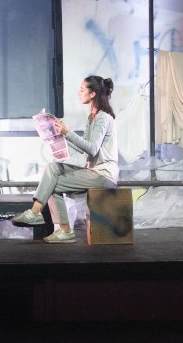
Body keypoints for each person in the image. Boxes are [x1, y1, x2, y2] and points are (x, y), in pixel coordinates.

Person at [11, 75, 119, 244]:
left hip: (104, 175)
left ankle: (61, 228)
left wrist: (68, 133)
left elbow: (92, 148)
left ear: (93, 94)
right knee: (52, 168)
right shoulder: (92, 117)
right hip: (93, 171)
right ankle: (37, 214)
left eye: (82, 90)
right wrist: (57, 138)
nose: (78, 93)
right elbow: (84, 149)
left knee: (52, 185)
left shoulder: (102, 117)